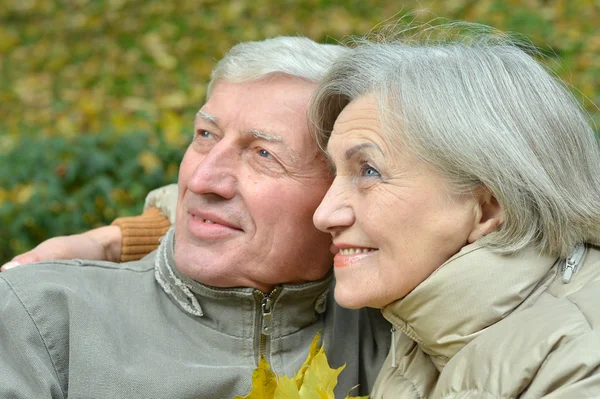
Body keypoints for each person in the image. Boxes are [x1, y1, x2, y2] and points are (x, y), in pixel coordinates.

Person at [0, 36, 391, 398]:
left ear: (341, 189)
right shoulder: (41, 316)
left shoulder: (395, 326)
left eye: (263, 154)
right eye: (205, 135)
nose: (203, 179)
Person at [308, 24, 600, 397]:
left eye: (369, 171)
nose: (324, 214)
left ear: (488, 207)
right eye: (336, 173)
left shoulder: (584, 361)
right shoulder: (422, 338)